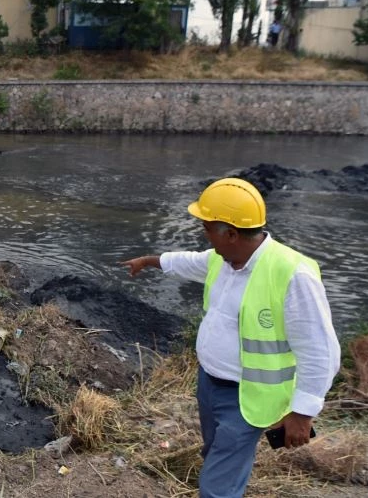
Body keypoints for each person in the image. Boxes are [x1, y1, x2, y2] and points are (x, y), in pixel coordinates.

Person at [121, 177, 340, 498]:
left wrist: (302, 413)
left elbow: (321, 352)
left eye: (208, 228)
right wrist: (150, 261)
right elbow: (189, 261)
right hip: (210, 385)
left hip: (249, 398)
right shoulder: (221, 260)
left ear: (231, 234)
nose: (204, 235)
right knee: (215, 454)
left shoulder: (293, 275)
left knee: (217, 487)